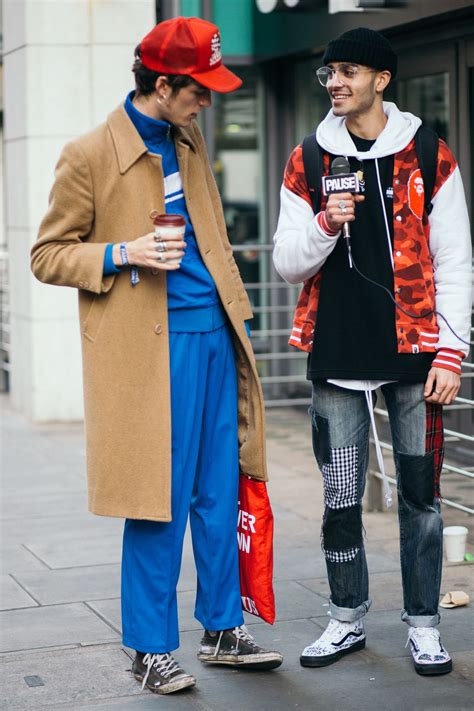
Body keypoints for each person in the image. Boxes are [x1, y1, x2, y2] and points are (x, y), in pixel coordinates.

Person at [31, 16, 282, 695]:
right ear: (164, 84)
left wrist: (237, 315)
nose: (210, 102)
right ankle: (148, 647)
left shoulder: (188, 135)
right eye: (199, 91)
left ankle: (222, 627)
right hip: (147, 349)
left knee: (219, 487)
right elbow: (47, 254)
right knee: (157, 499)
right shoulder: (88, 154)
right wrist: (123, 252)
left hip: (213, 335)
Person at [273, 27, 471, 676]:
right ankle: (346, 617)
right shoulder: (307, 158)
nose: (334, 81)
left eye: (348, 71)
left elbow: (456, 259)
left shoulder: (427, 151)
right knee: (339, 495)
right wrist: (327, 224)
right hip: (335, 354)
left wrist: (453, 351)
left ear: (381, 80)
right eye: (328, 72)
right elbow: (285, 263)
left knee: (420, 495)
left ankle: (423, 625)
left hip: (416, 353)